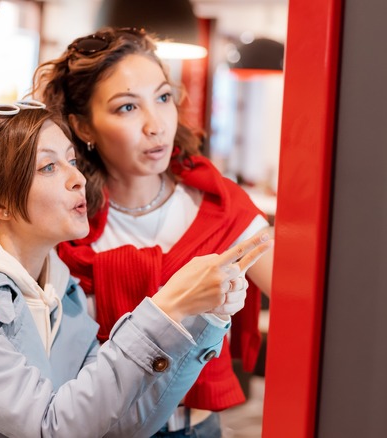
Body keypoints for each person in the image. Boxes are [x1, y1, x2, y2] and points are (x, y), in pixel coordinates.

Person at [0, 101, 272, 437]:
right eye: (49, 168)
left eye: (72, 161)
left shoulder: (64, 291)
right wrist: (163, 309)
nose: (77, 179)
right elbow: (51, 427)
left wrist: (203, 317)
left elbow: (124, 427)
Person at [32, 27, 275, 437]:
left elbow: (308, 300)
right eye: (127, 108)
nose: (155, 125)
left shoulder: (216, 208)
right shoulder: (64, 222)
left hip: (195, 429)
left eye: (163, 98)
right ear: (83, 127)